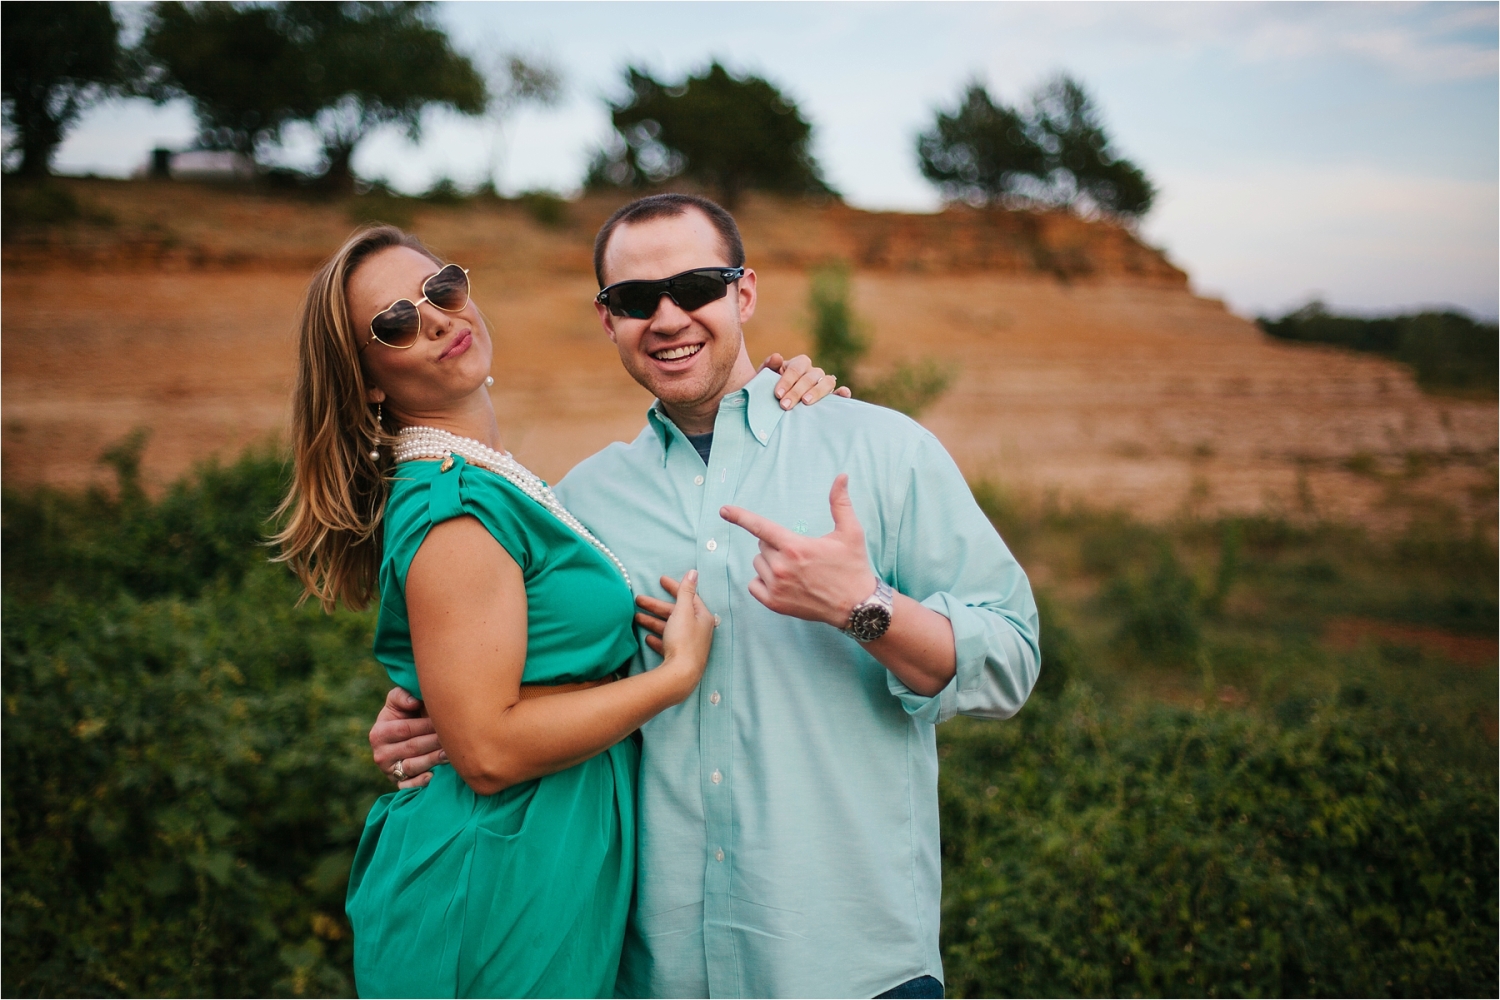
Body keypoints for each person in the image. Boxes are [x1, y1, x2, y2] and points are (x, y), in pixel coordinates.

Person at [372, 193, 1041, 999]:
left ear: (743, 294)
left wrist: (865, 606)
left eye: (695, 287)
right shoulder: (581, 506)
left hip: (851, 968)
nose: (668, 317)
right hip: (657, 974)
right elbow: (514, 684)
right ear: (606, 320)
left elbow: (1010, 661)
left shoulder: (879, 450)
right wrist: (424, 712)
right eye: (634, 300)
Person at [272, 224, 845, 998]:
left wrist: (779, 400)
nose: (438, 318)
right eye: (396, 324)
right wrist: (672, 678)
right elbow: (487, 752)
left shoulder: (494, 483)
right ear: (369, 378)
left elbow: (494, 683)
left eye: (440, 288)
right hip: (500, 875)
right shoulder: (457, 506)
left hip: (543, 859)